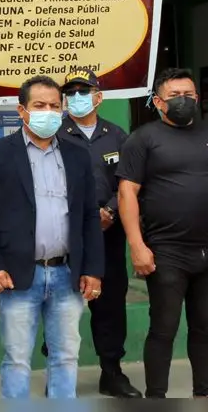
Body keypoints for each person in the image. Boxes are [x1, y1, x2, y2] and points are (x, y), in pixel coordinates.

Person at [117, 67, 208, 399]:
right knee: (164, 328)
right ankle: (156, 397)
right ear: (159, 102)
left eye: (189, 94)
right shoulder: (143, 139)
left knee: (205, 328)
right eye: (175, 96)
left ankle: (205, 393)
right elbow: (126, 193)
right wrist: (137, 245)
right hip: (166, 252)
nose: (183, 101)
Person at [0, 75, 103, 399]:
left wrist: (93, 269)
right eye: (39, 105)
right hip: (18, 275)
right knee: (17, 359)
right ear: (22, 110)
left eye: (55, 106)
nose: (48, 112)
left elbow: (88, 216)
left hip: (67, 273)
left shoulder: (76, 155)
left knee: (66, 356)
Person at [53, 69, 140, 398]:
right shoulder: (57, 133)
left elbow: (128, 181)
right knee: (62, 303)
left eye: (83, 91)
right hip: (67, 234)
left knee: (110, 305)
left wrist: (110, 211)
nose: (76, 97)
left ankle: (112, 372)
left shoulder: (117, 135)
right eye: (71, 92)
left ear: (98, 97)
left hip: (108, 234)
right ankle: (60, 374)